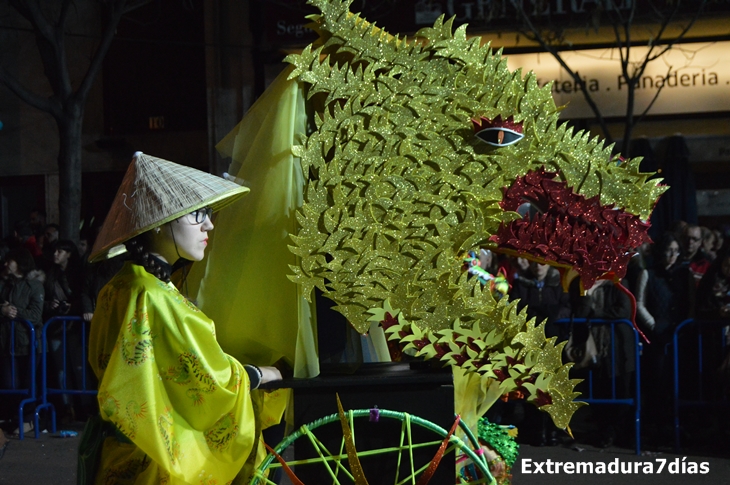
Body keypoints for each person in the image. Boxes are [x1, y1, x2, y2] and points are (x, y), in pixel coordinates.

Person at [81, 152, 283, 485]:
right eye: (197, 215)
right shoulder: (153, 296)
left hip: (120, 457)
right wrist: (256, 375)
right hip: (157, 461)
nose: (209, 225)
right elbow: (204, 381)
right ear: (160, 221)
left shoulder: (120, 286)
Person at [0, 247, 45, 434]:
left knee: (28, 384)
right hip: (6, 342)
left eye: (10, 261)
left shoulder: (33, 286)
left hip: (28, 342)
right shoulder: (4, 284)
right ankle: (12, 418)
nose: (6, 264)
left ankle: (28, 419)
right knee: (10, 384)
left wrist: (15, 312)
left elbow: (36, 314)